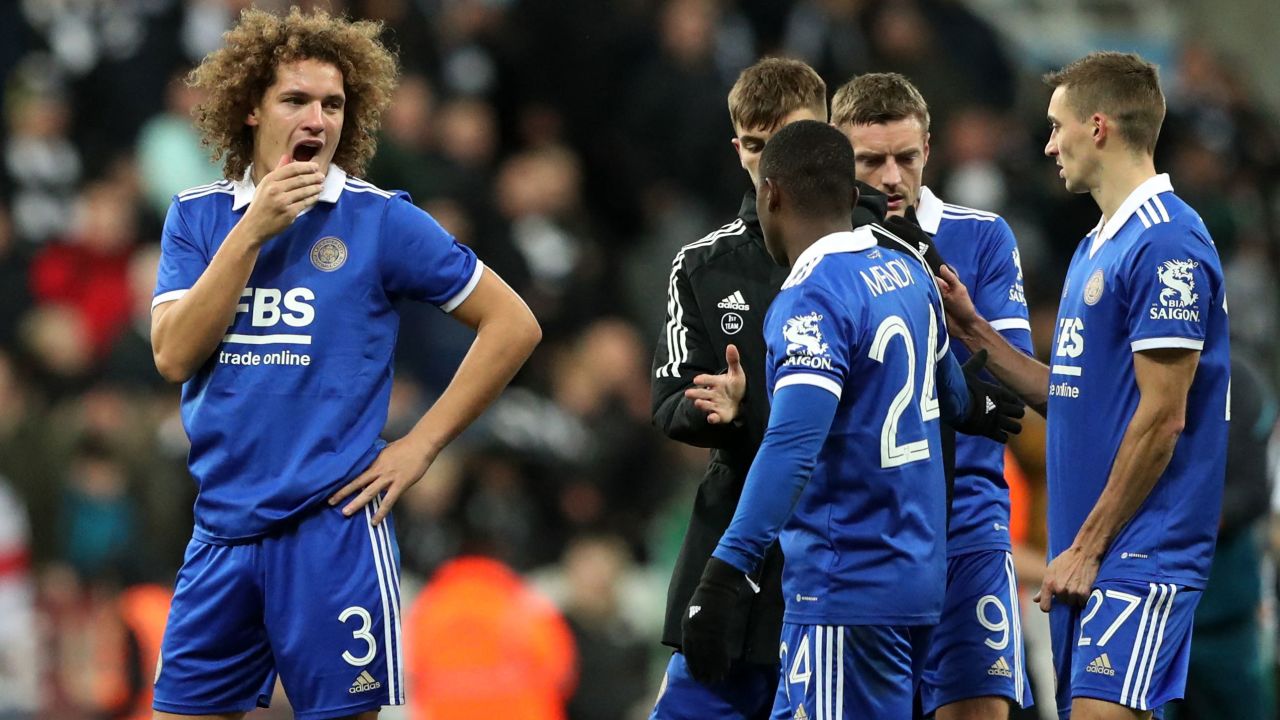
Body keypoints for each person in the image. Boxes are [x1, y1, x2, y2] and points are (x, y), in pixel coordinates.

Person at [148, 8, 541, 720]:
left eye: (332, 104)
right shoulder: (199, 217)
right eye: (296, 100)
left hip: (331, 532)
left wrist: (421, 445)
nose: (317, 120)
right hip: (220, 531)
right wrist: (252, 231)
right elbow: (173, 354)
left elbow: (514, 324)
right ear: (250, 109)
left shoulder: (379, 220)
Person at [650, 58, 1020, 720]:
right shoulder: (907, 271)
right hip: (916, 575)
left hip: (843, 579)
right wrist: (980, 405)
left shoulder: (811, 296)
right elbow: (952, 386)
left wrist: (727, 570)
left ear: (772, 195)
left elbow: (794, 444)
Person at [935, 52, 1230, 719]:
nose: (1048, 145)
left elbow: (1164, 417)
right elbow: (1071, 396)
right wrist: (975, 332)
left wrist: (1089, 547)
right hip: (1091, 552)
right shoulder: (1100, 243)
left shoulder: (1166, 243)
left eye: (1055, 126)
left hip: (1140, 551)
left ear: (1097, 127)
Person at [831, 72, 1033, 719]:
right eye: (870, 161)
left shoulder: (981, 237)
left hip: (967, 526)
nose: (892, 178)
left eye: (905, 157)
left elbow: (1007, 382)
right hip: (865, 534)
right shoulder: (821, 256)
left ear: (928, 149)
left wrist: (952, 325)